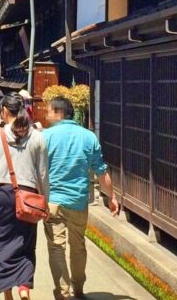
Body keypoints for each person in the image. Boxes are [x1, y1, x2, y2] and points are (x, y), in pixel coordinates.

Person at [42, 97, 121, 299]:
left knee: (56, 247)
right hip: (78, 200)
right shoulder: (89, 137)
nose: (46, 114)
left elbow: (37, 170)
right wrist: (111, 197)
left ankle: (63, 291)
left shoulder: (45, 136)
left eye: (48, 111)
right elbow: (101, 172)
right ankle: (78, 288)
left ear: (58, 113)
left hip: (53, 200)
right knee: (78, 245)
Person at [0, 95, 48, 300]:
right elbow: (42, 174)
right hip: (28, 197)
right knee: (24, 244)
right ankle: (24, 287)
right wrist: (44, 201)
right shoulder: (37, 136)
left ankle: (7, 293)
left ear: (5, 112)